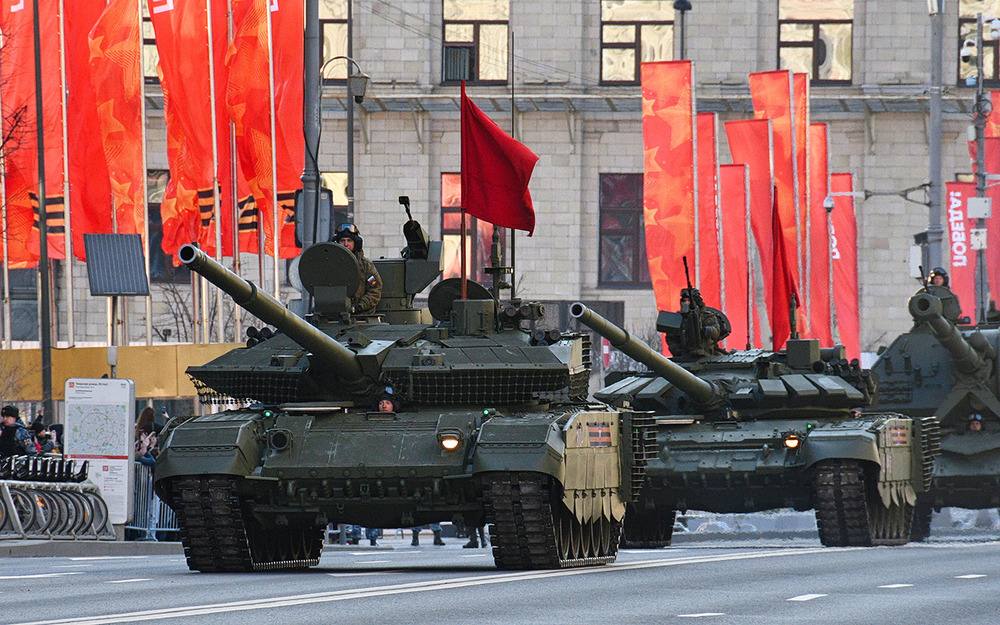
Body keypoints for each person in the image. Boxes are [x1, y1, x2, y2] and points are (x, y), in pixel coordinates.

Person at [333, 223, 382, 314]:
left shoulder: (365, 266)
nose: (346, 244)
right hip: (335, 314)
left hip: (361, 315)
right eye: (342, 241)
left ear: (356, 243)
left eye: (349, 240)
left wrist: (360, 306)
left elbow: (375, 289)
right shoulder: (331, 265)